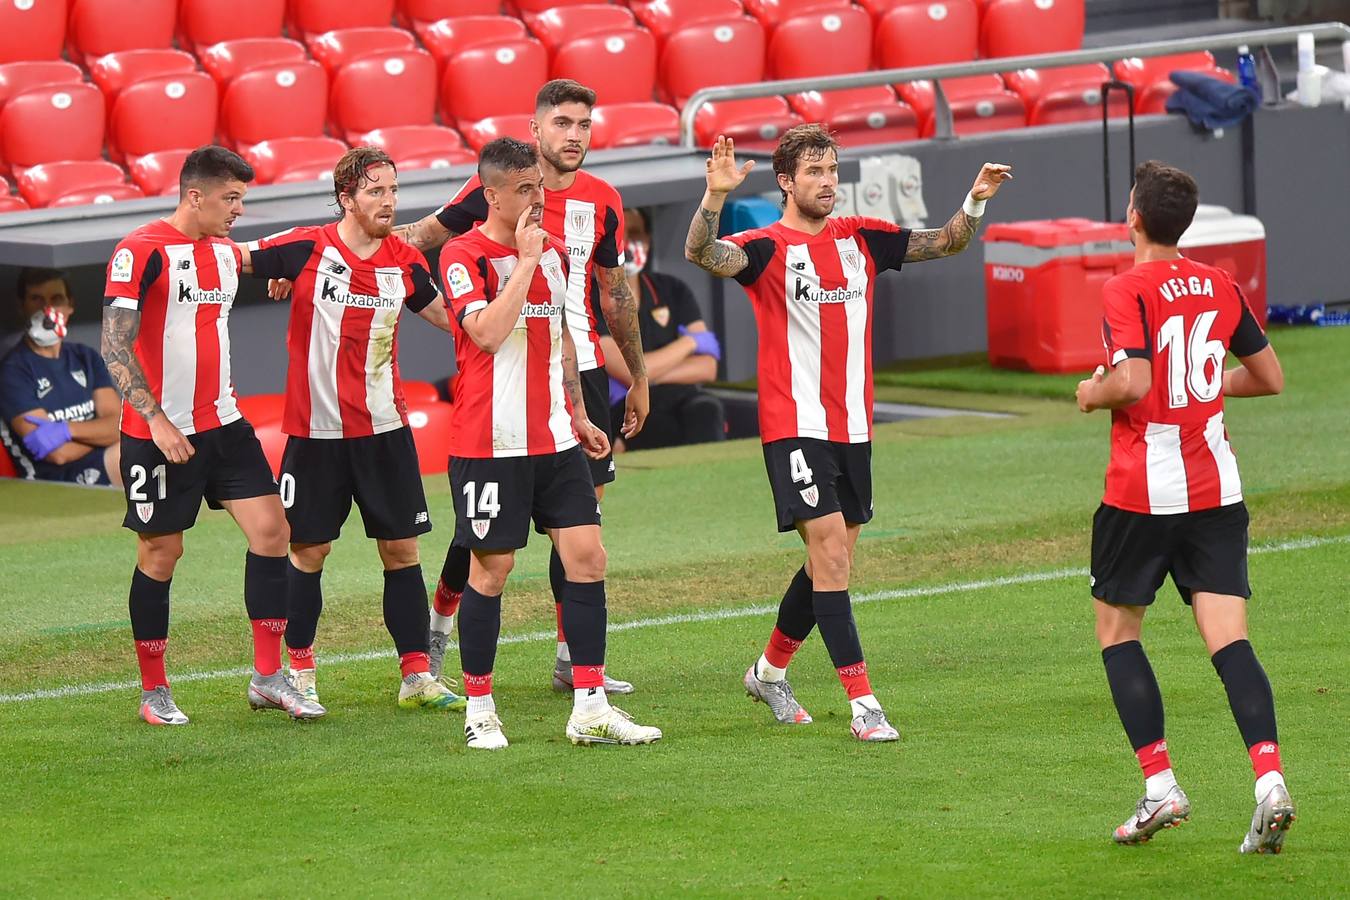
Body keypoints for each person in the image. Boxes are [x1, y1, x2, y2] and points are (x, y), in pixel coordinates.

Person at [684, 125, 1012, 742]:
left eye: (832, 169)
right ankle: (865, 707)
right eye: (814, 171)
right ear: (786, 181)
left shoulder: (863, 237)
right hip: (794, 426)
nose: (828, 181)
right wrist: (714, 197)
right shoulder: (763, 248)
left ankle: (768, 671)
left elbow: (946, 242)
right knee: (832, 554)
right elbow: (702, 253)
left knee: (828, 562)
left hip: (853, 428)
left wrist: (977, 198)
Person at [388, 79, 647, 695]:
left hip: (574, 372)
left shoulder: (604, 201)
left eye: (584, 124)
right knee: (484, 540)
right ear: (536, 131)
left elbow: (614, 293)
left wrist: (637, 376)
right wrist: (343, 254)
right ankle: (440, 625)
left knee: (581, 531)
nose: (575, 135)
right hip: (501, 376)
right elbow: (416, 240)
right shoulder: (492, 193)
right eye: (562, 123)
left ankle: (570, 661)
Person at [1075, 160, 1293, 853]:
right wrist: (1204, 387)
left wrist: (1091, 393)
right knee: (1230, 641)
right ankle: (1268, 782)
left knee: (1119, 634)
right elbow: (1270, 377)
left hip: (1141, 493)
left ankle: (1161, 785)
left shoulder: (1125, 288)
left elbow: (1132, 381)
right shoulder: (1221, 284)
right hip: (1216, 490)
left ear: (1132, 216)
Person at [439, 137, 661, 749]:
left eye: (538, 187)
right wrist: (527, 262)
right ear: (491, 194)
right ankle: (480, 708)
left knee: (588, 557)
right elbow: (485, 333)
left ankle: (589, 704)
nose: (537, 199)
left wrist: (582, 414)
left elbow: (563, 344)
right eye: (522, 190)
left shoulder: (558, 254)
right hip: (490, 442)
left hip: (557, 437)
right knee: (494, 569)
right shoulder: (465, 256)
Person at [238, 147, 463, 714]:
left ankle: (416, 674)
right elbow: (230, 258)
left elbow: (449, 319)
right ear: (346, 198)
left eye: (393, 190)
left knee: (401, 550)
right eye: (375, 192)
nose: (388, 202)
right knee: (309, 551)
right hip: (315, 434)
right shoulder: (307, 247)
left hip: (385, 429)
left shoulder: (406, 261)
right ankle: (300, 670)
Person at [101, 146, 321, 726]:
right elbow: (115, 344)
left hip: (224, 425)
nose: (239, 210)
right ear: (194, 196)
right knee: (161, 553)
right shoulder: (139, 251)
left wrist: (286, 276)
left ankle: (268, 678)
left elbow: (297, 247)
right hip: (159, 433)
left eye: (242, 199)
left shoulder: (224, 254)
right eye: (231, 199)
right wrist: (155, 418)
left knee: (273, 532)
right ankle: (154, 690)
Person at [600, 207, 725, 451]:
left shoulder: (672, 289)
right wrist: (690, 343)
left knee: (707, 409)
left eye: (634, 234)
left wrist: (646, 376)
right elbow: (628, 373)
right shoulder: (593, 297)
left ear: (647, 241)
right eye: (619, 236)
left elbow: (707, 367)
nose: (626, 244)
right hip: (623, 406)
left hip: (682, 396)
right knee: (654, 422)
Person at [0, 268, 122, 486]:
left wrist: (67, 430)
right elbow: (58, 453)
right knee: (132, 452)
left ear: (69, 306)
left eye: (56, 299)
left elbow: (119, 425)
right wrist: (103, 433)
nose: (47, 309)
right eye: (36, 299)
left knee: (150, 447)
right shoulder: (13, 371)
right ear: (22, 307)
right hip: (53, 480)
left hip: (103, 461)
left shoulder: (85, 357)